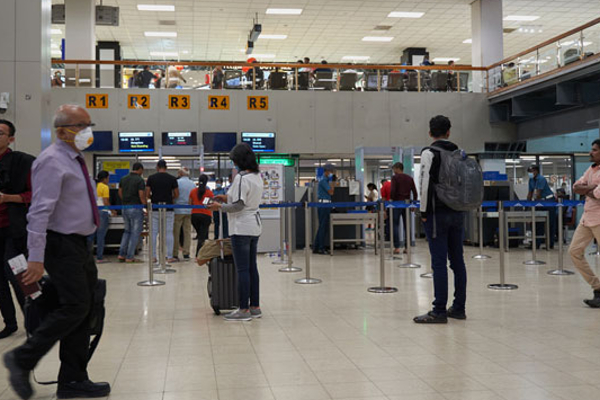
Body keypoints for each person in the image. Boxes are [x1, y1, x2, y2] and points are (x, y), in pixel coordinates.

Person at [3, 105, 110, 400]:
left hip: (80, 245)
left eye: (89, 124)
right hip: (60, 244)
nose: (88, 130)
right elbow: (39, 211)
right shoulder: (51, 161)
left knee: (85, 309)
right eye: (81, 125)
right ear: (62, 132)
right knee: (74, 307)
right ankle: (22, 358)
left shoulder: (75, 159)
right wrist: (36, 257)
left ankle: (73, 379)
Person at [414, 115, 467, 324]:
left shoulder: (429, 153)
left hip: (437, 215)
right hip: (457, 212)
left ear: (430, 133)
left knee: (438, 263)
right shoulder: (458, 153)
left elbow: (425, 184)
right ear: (448, 132)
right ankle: (459, 308)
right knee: (457, 261)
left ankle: (439, 310)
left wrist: (423, 212)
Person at [207, 143, 263, 321]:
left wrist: (219, 207)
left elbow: (238, 206)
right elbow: (245, 199)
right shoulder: (257, 176)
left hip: (241, 228)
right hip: (254, 226)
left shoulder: (241, 178)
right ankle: (255, 307)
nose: (234, 164)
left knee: (242, 270)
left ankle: (243, 310)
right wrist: (225, 198)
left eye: (234, 161)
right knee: (252, 268)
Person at [0, 119, 33, 339]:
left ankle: (34, 322)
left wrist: (7, 198)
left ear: (11, 138)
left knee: (21, 278)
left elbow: (36, 194)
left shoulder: (23, 162)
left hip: (15, 230)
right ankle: (9, 323)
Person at [569, 139, 600, 308]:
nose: (591, 152)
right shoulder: (591, 169)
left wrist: (587, 189)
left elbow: (597, 194)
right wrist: (591, 188)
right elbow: (576, 187)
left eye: (594, 150)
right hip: (587, 219)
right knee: (574, 251)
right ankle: (597, 287)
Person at [146, 160, 179, 263]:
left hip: (155, 208)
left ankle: (153, 257)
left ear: (157, 167)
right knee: (169, 232)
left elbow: (147, 194)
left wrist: (154, 197)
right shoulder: (172, 178)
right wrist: (169, 198)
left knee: (153, 233)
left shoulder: (151, 178)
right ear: (166, 167)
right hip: (168, 208)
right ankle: (169, 257)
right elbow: (176, 194)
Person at [118, 162, 146, 263]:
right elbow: (141, 195)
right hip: (136, 208)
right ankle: (130, 256)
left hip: (125, 207)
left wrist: (125, 201)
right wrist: (145, 206)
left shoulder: (123, 179)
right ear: (140, 169)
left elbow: (120, 192)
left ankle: (121, 254)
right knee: (135, 233)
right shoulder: (139, 180)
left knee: (127, 231)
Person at [390, 162, 418, 254]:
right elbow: (415, 191)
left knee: (395, 225)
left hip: (397, 203)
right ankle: (407, 247)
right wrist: (414, 203)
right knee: (407, 226)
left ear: (397, 168)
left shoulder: (395, 178)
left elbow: (393, 190)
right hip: (407, 204)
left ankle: (397, 247)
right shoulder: (409, 178)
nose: (394, 171)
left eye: (394, 169)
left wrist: (391, 200)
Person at [527, 164, 556, 249]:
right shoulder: (531, 180)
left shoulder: (541, 179)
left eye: (531, 171)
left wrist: (533, 203)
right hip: (539, 201)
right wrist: (527, 204)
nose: (530, 173)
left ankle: (550, 244)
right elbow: (530, 193)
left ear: (536, 171)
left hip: (549, 201)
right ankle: (536, 244)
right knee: (537, 223)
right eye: (529, 172)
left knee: (550, 223)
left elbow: (538, 193)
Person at [172, 168, 195, 261]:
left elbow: (174, 195)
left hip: (178, 210)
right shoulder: (192, 184)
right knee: (187, 232)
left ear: (181, 173)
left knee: (176, 233)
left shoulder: (177, 182)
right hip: (189, 210)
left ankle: (175, 253)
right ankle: (186, 253)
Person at [313, 164, 336, 255]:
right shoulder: (323, 180)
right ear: (327, 171)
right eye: (331, 171)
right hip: (324, 204)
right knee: (323, 227)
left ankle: (316, 246)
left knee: (323, 227)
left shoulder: (325, 180)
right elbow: (331, 192)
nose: (331, 173)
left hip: (326, 204)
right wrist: (333, 182)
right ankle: (320, 247)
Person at [189, 175, 213, 257]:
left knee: (200, 235)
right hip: (206, 215)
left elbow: (190, 203)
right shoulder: (209, 193)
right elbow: (210, 204)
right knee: (202, 236)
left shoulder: (193, 191)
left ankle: (201, 253)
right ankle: (199, 254)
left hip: (194, 215)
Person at [94, 170, 114, 264]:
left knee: (91, 235)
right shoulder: (105, 187)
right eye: (108, 178)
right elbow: (105, 202)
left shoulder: (95, 186)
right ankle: (99, 257)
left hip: (94, 211)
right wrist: (112, 210)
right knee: (101, 235)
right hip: (103, 212)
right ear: (105, 178)